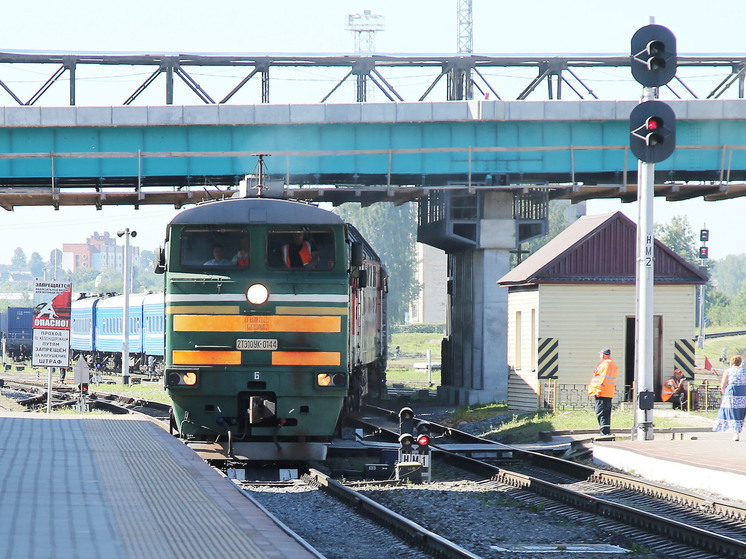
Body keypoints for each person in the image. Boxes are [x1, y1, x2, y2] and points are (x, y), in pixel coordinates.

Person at [713, 355, 746, 441]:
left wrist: (724, 394)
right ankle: (737, 430)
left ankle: (735, 431)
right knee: (740, 412)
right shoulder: (744, 371)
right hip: (742, 392)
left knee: (732, 412)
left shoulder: (728, 371)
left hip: (731, 392)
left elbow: (723, 385)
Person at [586, 348, 618, 436]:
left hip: (602, 392)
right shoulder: (611, 364)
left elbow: (602, 379)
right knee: (605, 413)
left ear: (603, 355)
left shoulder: (606, 364)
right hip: (607, 392)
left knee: (601, 412)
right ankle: (605, 432)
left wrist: (597, 390)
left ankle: (604, 433)